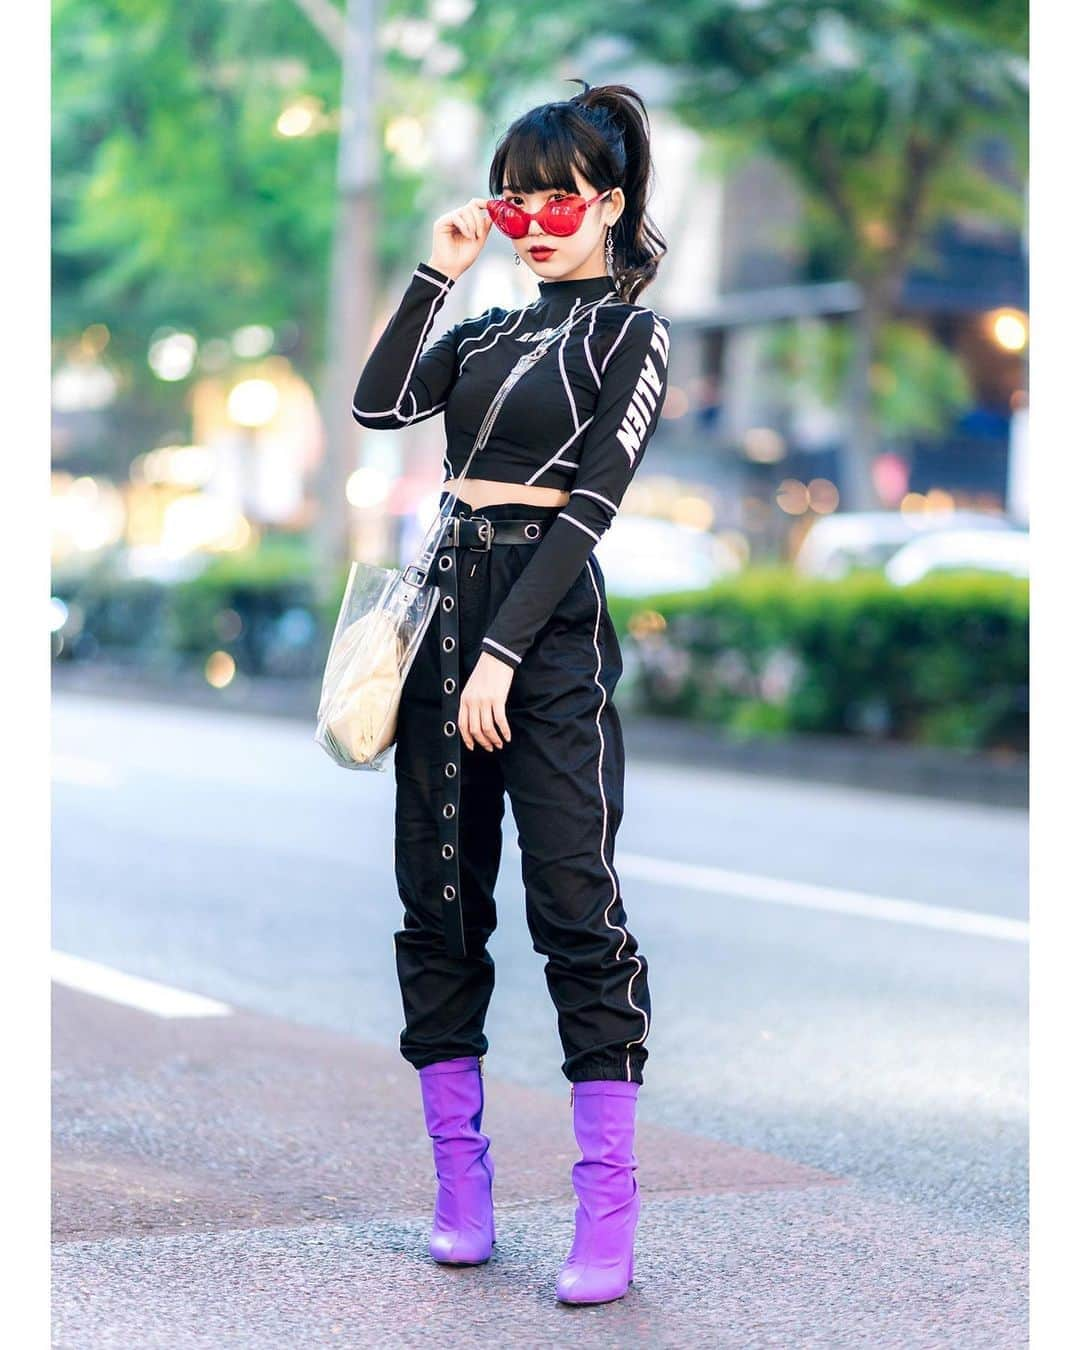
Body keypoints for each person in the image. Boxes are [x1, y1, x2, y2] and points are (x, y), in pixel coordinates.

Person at [351, 79, 671, 1305]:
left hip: (545, 640)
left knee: (576, 910)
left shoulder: (629, 337)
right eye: (516, 200)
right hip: (442, 616)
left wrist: (505, 655)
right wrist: (438, 272)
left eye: (558, 199)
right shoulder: (485, 333)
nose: (535, 221)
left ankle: (605, 1210)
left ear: (609, 202)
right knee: (437, 906)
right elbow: (383, 404)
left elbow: (592, 504)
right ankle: (462, 1190)